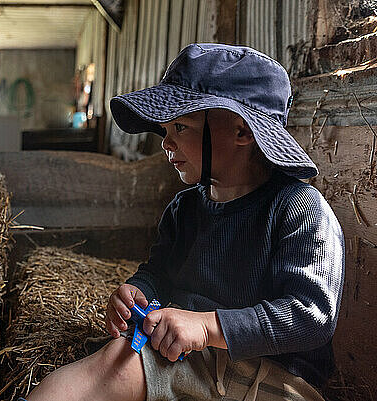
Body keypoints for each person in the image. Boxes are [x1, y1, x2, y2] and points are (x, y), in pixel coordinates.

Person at [21, 43, 344, 401]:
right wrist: (139, 290)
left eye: (180, 126)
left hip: (273, 377)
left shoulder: (298, 208)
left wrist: (207, 326)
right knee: (120, 355)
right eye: (165, 129)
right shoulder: (185, 208)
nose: (166, 143)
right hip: (195, 358)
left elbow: (311, 316)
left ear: (241, 131)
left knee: (119, 365)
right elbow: (160, 271)